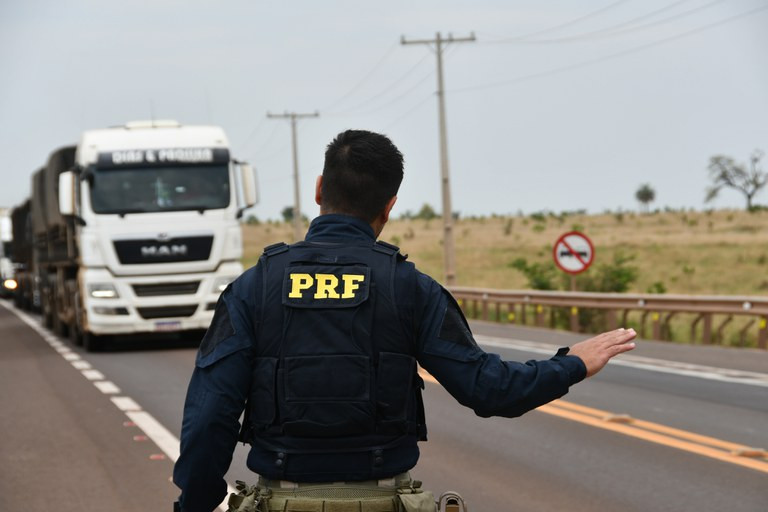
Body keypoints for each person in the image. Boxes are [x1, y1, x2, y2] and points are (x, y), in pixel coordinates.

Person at [173, 129, 637, 512]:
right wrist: (573, 363)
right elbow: (490, 390)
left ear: (319, 189)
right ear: (390, 205)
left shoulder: (254, 288)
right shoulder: (410, 287)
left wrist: (194, 505)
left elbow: (210, 417)